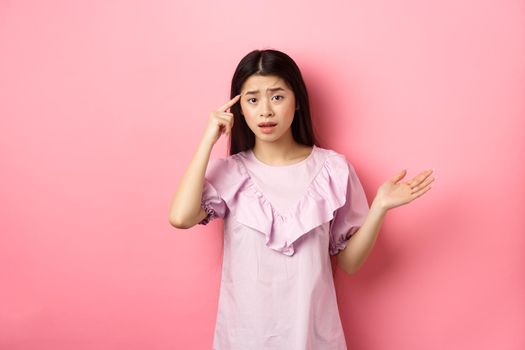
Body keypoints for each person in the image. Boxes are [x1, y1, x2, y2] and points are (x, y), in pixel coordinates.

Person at [169, 49, 435, 349]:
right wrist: (208, 138)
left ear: (297, 102)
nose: (265, 111)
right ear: (239, 107)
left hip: (313, 338)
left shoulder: (333, 169)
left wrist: (379, 208)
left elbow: (348, 263)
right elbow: (180, 218)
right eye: (253, 99)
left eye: (277, 96)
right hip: (245, 337)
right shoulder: (230, 173)